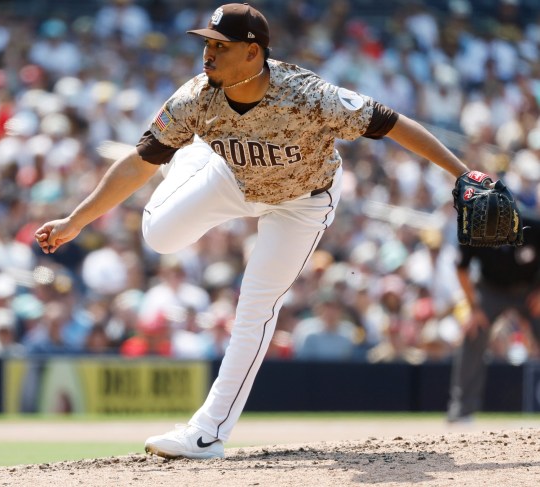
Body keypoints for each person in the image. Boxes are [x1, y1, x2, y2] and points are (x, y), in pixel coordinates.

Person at [35, 3, 474, 459]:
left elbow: (392, 123)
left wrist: (462, 173)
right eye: (206, 42)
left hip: (303, 202)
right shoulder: (195, 97)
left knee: (256, 309)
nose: (208, 52)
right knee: (158, 236)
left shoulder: (309, 94)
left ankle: (208, 433)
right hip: (230, 178)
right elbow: (136, 162)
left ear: (252, 52)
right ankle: (189, 156)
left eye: (219, 45)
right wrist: (76, 221)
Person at [447, 210, 540, 423]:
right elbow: (462, 270)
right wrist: (473, 308)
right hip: (490, 290)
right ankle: (462, 410)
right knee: (473, 332)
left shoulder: (534, 225)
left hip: (529, 289)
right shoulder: (473, 229)